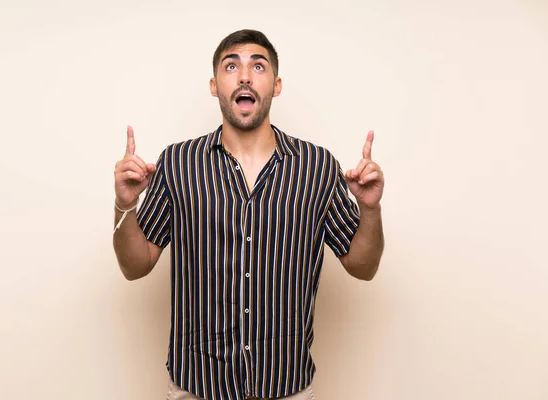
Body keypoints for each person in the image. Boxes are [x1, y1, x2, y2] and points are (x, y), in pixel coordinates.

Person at [112, 29, 385, 400]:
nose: (244, 76)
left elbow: (363, 267)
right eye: (231, 66)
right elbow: (135, 265)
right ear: (214, 84)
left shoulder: (317, 168)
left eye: (258, 66)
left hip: (286, 386)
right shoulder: (178, 164)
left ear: (276, 85)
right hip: (198, 386)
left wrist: (370, 209)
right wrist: (125, 204)